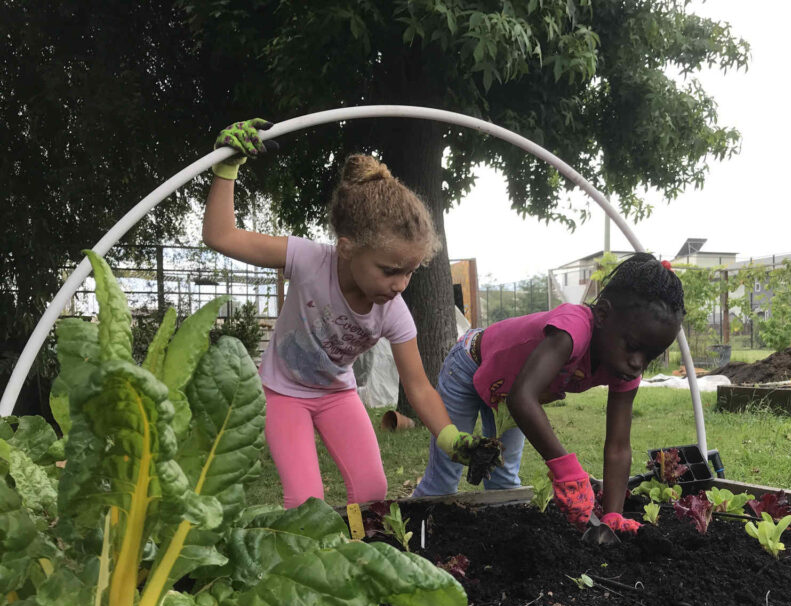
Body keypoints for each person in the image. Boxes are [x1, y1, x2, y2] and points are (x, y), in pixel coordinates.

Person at [203, 118, 493, 508]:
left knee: (373, 493)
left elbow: (419, 387)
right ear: (346, 248)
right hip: (282, 393)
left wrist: (452, 439)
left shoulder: (394, 313)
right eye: (390, 271)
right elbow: (221, 236)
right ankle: (306, 563)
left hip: (337, 394)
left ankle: (357, 550)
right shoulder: (307, 260)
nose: (401, 284)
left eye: (409, 271)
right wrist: (227, 168)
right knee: (307, 500)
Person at [413, 254, 686, 534]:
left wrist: (613, 515)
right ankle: (412, 537)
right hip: (470, 366)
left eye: (650, 356)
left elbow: (618, 445)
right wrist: (566, 470)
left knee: (504, 481)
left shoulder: (625, 368)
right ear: (603, 315)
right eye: (632, 347)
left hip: (510, 393)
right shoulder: (572, 330)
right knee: (444, 480)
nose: (638, 363)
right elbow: (523, 397)